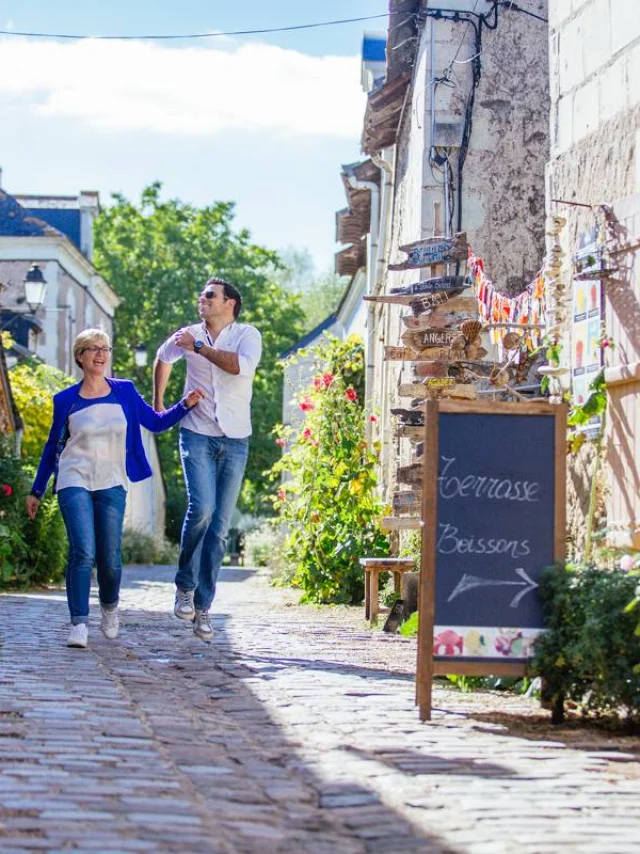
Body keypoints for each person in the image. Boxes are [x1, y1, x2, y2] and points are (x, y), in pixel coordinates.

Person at [26, 328, 204, 649]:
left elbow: (155, 422)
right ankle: (78, 623)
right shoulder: (65, 400)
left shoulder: (124, 391)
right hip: (73, 478)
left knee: (109, 557)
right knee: (82, 551)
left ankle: (109, 607)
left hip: (112, 481)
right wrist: (36, 490)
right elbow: (52, 448)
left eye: (105, 348)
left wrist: (184, 405)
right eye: (92, 349)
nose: (100, 354)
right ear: (80, 356)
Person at [154, 277, 261, 641]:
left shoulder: (247, 335)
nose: (202, 299)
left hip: (235, 441)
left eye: (209, 295)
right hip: (196, 433)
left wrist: (198, 347)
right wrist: (159, 405)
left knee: (219, 528)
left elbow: (238, 367)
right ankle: (184, 586)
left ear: (229, 303)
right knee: (201, 509)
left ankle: (203, 608)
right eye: (201, 294)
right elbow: (161, 358)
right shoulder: (186, 334)